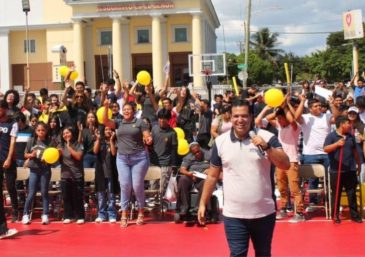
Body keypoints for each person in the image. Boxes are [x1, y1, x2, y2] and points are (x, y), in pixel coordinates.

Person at [198, 99, 290, 257]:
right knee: (237, 254)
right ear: (231, 117)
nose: (240, 120)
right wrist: (202, 203)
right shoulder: (220, 142)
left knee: (263, 253)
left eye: (244, 116)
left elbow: (285, 164)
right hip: (234, 215)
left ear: (252, 117)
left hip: (264, 213)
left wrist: (267, 148)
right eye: (236, 116)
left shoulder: (267, 137)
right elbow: (212, 176)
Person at [103, 101, 152, 228]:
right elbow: (105, 122)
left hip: (139, 158)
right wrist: (106, 107)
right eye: (124, 109)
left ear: (133, 110)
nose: (126, 111)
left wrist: (148, 139)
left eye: (128, 109)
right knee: (125, 186)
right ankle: (124, 214)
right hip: (122, 158)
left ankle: (141, 211)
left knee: (136, 186)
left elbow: (147, 136)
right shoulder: (119, 122)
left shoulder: (139, 122)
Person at [323, 115, 363, 223]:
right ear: (341, 124)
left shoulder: (350, 136)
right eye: (348, 123)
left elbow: (355, 152)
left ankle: (354, 215)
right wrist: (337, 144)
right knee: (336, 194)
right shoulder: (331, 136)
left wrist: (358, 164)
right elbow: (325, 149)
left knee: (352, 193)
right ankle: (335, 215)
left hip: (350, 170)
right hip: (337, 170)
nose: (350, 125)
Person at [22, 122, 53, 225]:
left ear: (46, 131)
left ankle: (45, 215)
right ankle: (25, 215)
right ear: (35, 131)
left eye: (43, 130)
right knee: (31, 193)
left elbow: (56, 153)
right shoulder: (31, 141)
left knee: (44, 192)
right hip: (34, 170)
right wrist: (31, 154)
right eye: (38, 130)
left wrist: (48, 158)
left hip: (45, 170)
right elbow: (25, 154)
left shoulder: (50, 141)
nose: (41, 132)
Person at [176, 142, 211, 219]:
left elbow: (216, 167)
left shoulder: (208, 155)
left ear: (200, 148)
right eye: (195, 153)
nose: (197, 153)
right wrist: (189, 174)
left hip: (203, 178)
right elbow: (182, 170)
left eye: (198, 151)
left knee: (205, 183)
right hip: (191, 177)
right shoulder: (188, 157)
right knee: (182, 179)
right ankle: (184, 207)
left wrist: (209, 170)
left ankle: (198, 207)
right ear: (191, 152)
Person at [58, 126, 85, 224]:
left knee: (77, 197)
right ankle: (68, 216)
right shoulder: (60, 146)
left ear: (72, 133)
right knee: (66, 197)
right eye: (64, 133)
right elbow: (54, 159)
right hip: (65, 175)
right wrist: (58, 154)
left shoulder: (78, 144)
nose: (66, 135)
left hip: (77, 175)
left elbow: (78, 157)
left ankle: (80, 216)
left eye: (67, 133)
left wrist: (69, 147)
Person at [150, 108, 178, 197]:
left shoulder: (172, 133)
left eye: (164, 118)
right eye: (160, 118)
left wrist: (173, 165)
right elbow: (150, 145)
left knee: (162, 188)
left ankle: (162, 204)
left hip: (165, 163)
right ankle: (153, 204)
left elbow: (174, 150)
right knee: (152, 186)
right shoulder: (154, 129)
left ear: (168, 119)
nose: (162, 120)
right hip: (153, 162)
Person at [93, 126, 119, 223]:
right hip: (100, 172)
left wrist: (111, 141)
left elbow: (113, 153)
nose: (108, 131)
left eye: (110, 130)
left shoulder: (115, 142)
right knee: (101, 195)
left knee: (111, 195)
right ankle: (102, 214)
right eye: (106, 129)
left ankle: (112, 214)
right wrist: (98, 139)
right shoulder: (100, 141)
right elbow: (95, 151)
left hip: (111, 172)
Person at [0, 100, 18, 238]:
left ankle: (15, 212)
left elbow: (12, 143)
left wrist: (8, 158)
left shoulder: (13, 123)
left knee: (11, 186)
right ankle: (2, 229)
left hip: (7, 161)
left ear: (5, 109)